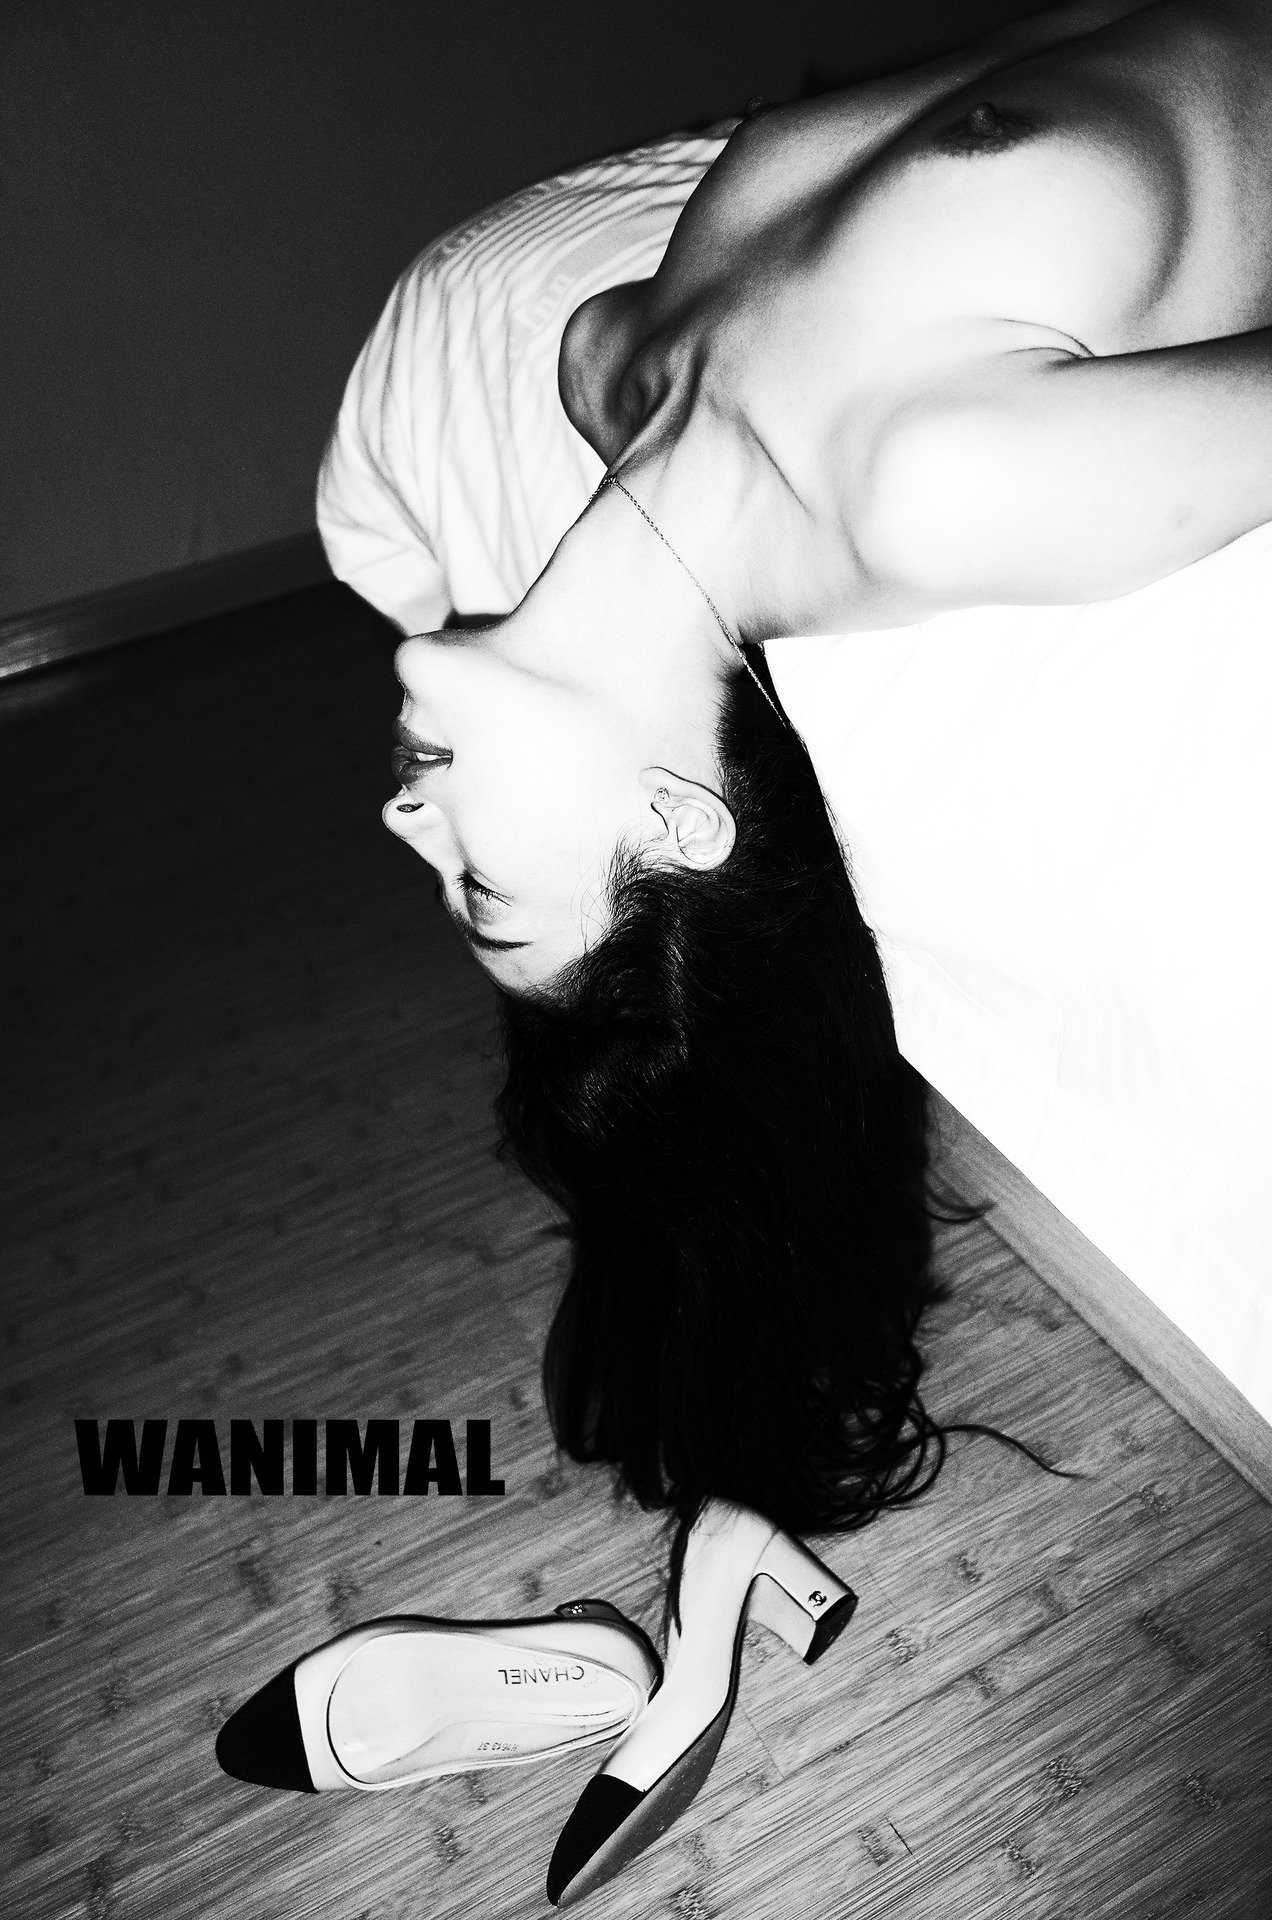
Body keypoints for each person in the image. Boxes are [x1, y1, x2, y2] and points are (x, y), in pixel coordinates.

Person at [318, 0, 1272, 1591]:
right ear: (680, 824)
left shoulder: (608, 361)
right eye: (483, 893)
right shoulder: (927, 494)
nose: (403, 824)